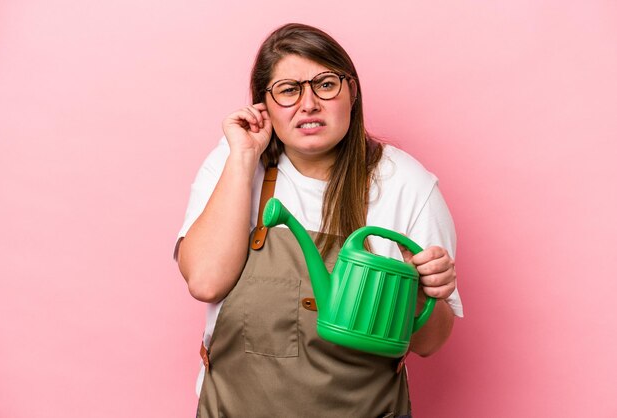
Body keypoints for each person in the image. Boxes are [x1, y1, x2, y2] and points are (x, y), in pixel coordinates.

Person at [175, 23, 463, 418]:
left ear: (352, 92)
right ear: (265, 103)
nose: (308, 104)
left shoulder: (407, 184)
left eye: (325, 84)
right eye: (289, 90)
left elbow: (432, 341)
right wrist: (243, 157)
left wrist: (419, 292)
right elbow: (205, 281)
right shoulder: (234, 162)